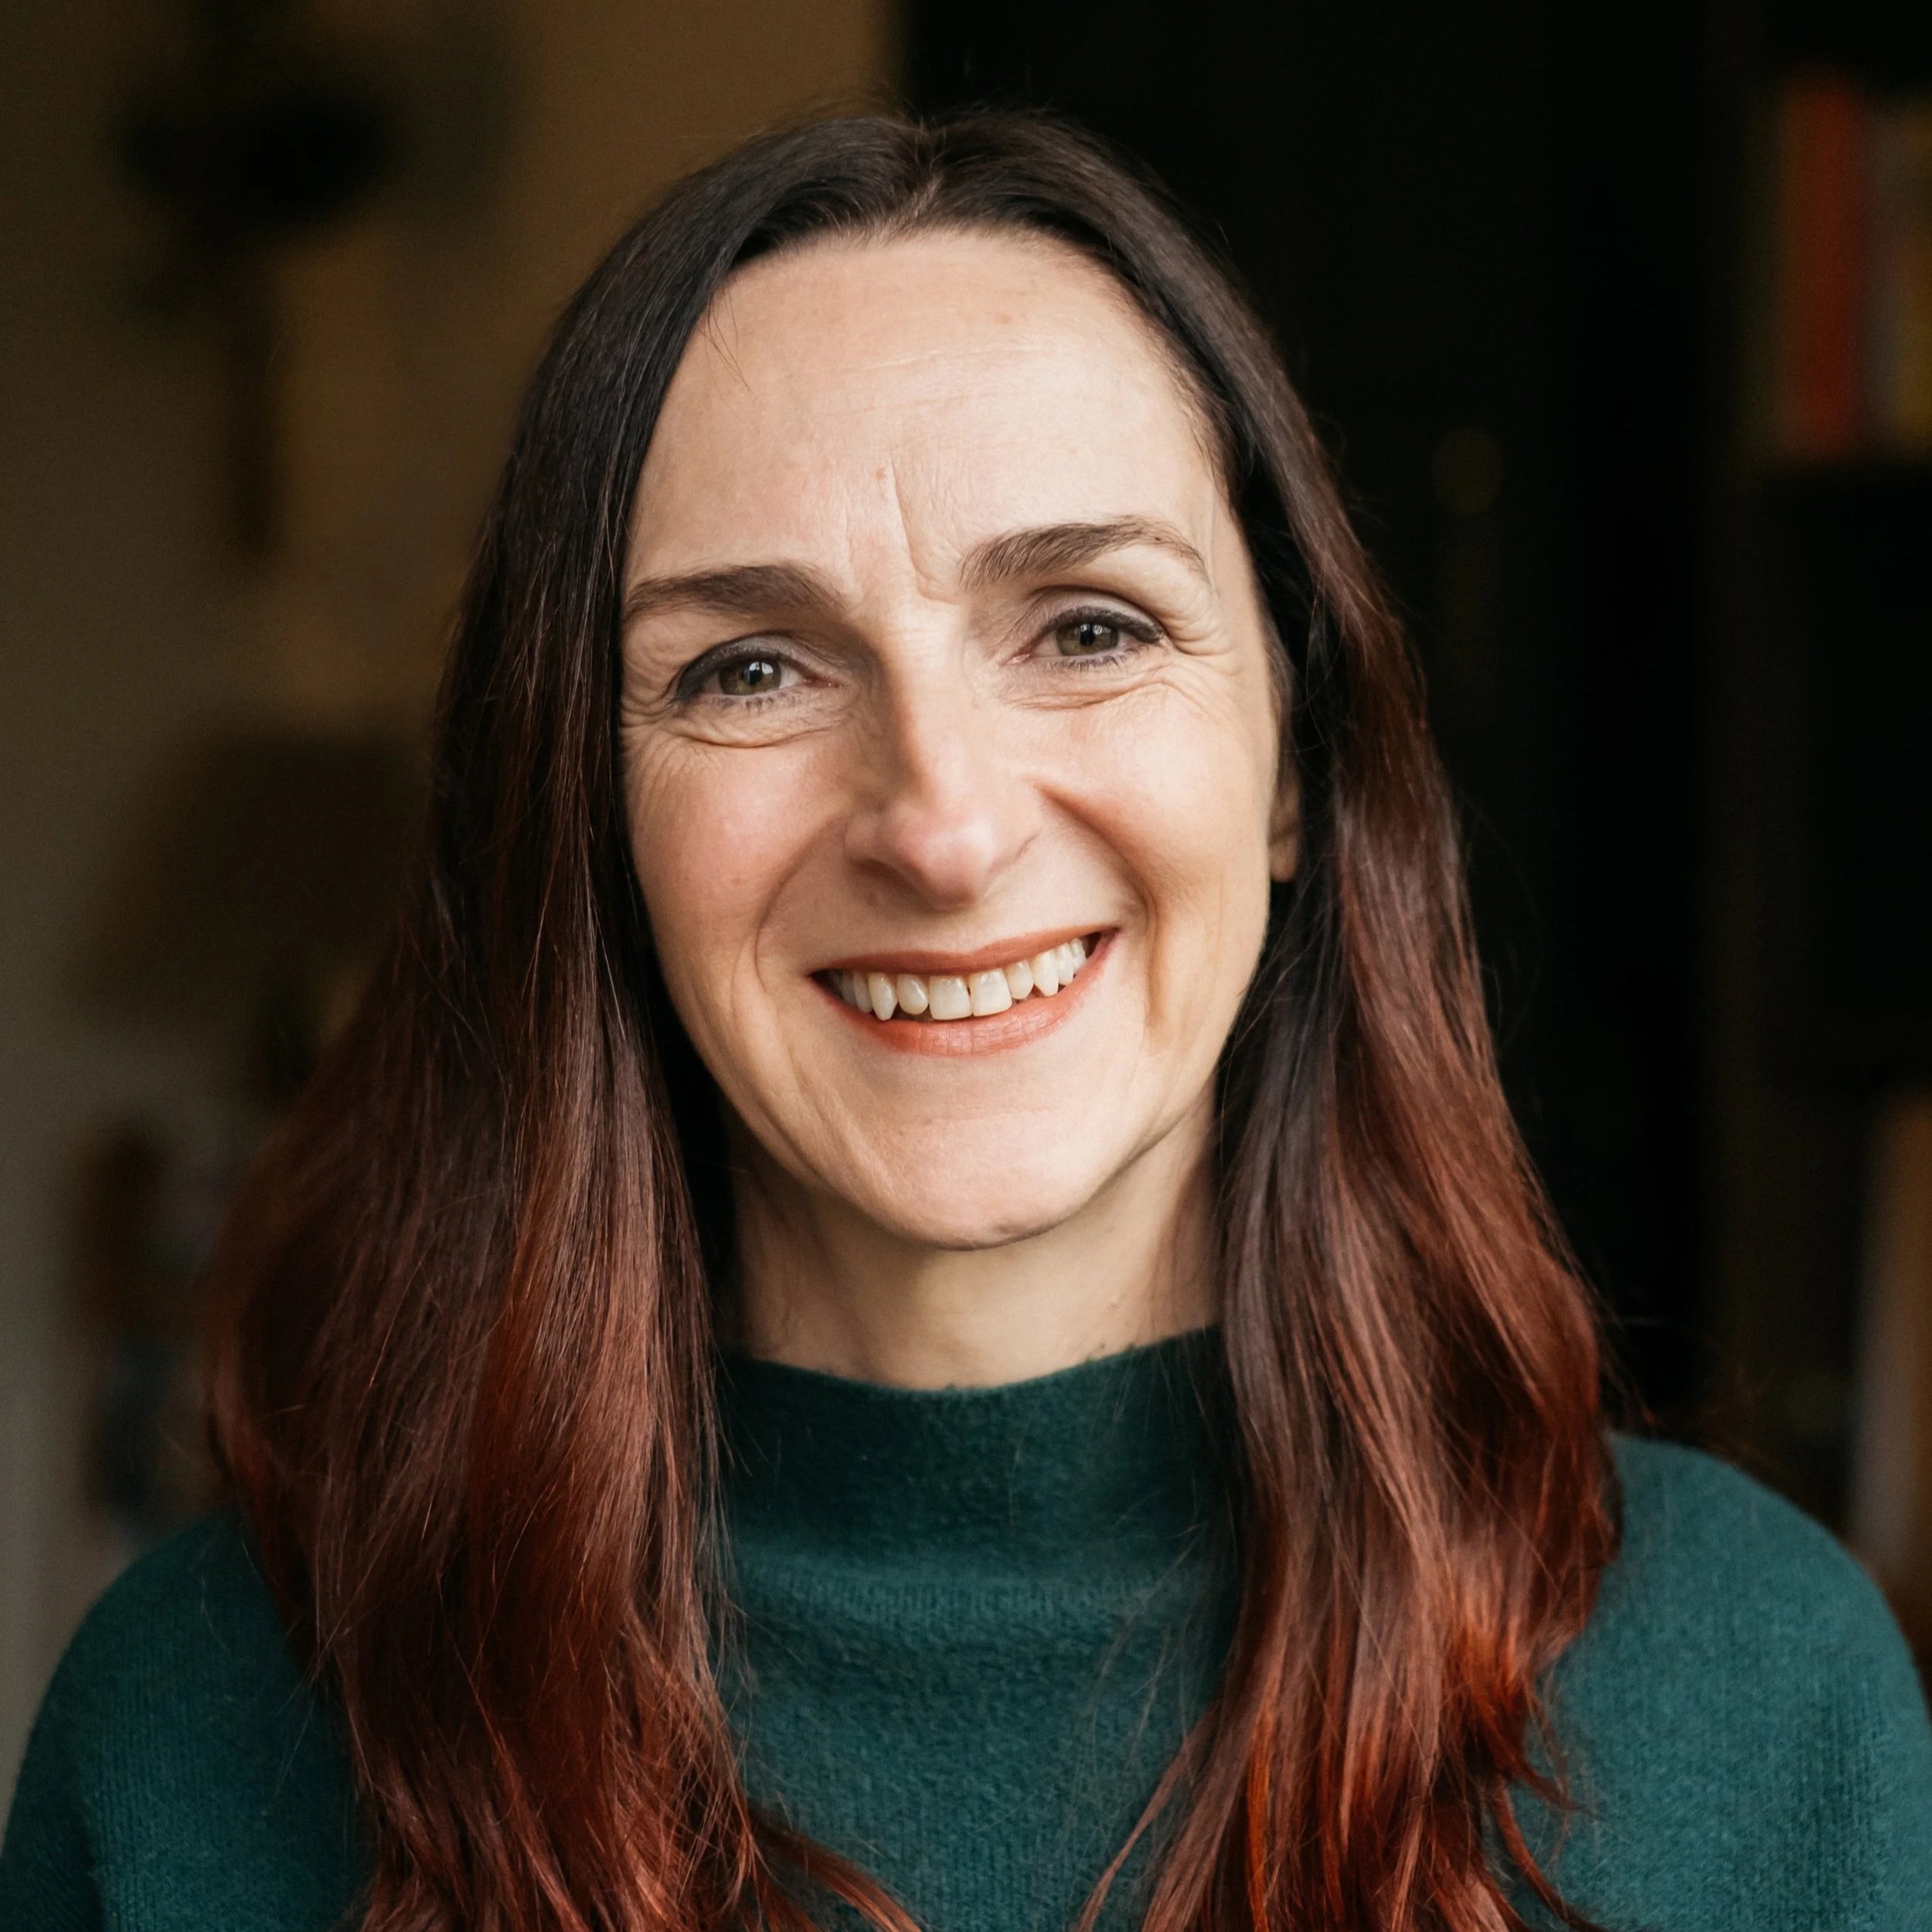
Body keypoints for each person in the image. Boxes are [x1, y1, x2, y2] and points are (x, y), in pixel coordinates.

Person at [2, 108, 1928, 1932]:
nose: (939, 821)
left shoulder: (1752, 1694)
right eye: (748, 666)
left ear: (1289, 766)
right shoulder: (199, 1728)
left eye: (1088, 625)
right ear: (582, 819)